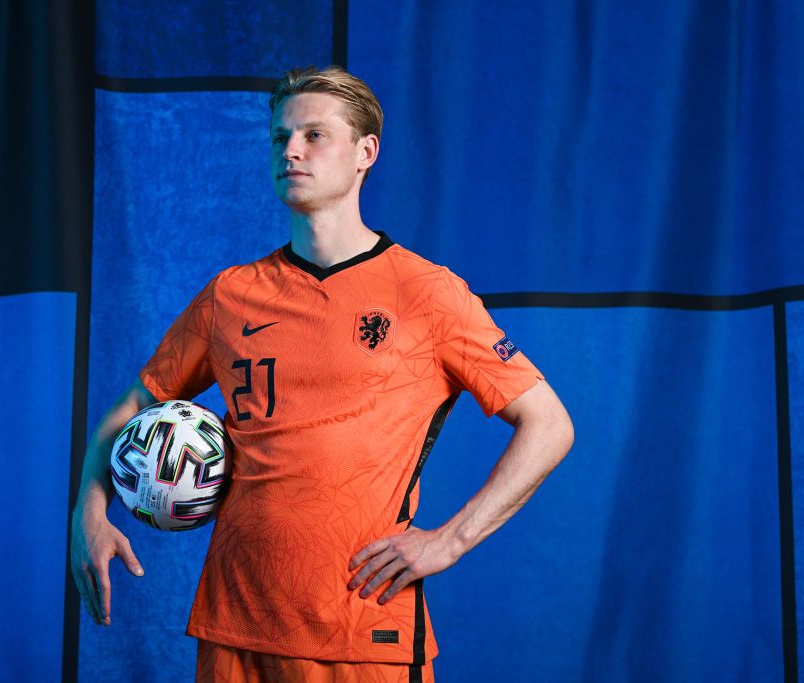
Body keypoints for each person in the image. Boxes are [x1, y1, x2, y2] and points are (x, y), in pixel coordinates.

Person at [70, 65, 574, 682]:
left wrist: (451, 540)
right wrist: (89, 513)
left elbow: (549, 424)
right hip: (233, 624)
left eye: (314, 135)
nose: (292, 151)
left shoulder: (429, 293)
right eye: (281, 138)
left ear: (366, 153)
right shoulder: (231, 295)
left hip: (362, 632)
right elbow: (131, 410)